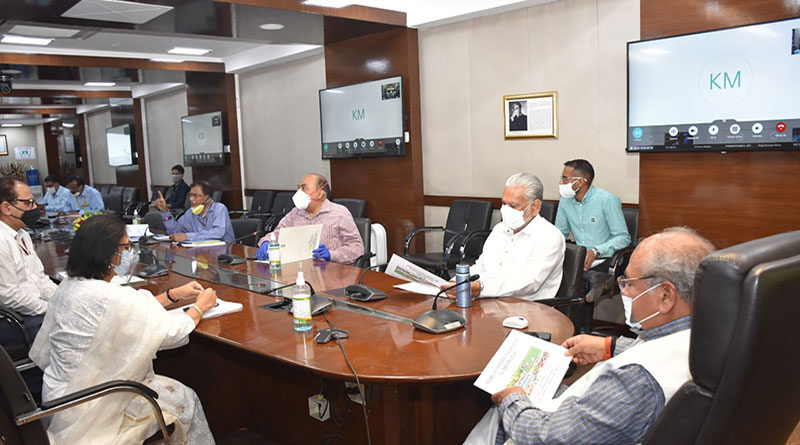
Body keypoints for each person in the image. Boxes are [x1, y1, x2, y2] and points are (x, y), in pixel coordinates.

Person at [465, 226, 715, 444]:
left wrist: (513, 400)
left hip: (551, 434)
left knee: (497, 413)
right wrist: (609, 346)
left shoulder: (635, 381)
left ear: (666, 296)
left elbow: (548, 438)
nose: (624, 292)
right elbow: (659, 349)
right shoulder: (708, 336)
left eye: (629, 283)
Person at [29, 215, 216, 444]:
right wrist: (200, 307)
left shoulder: (69, 285)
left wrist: (172, 295)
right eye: (125, 247)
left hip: (59, 400)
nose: (129, 253)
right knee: (185, 398)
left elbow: (130, 311)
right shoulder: (110, 296)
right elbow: (171, 334)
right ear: (108, 254)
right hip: (94, 404)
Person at [443, 173, 564, 301]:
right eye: (504, 203)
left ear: (535, 207)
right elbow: (481, 267)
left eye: (513, 206)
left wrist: (481, 288)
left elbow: (530, 283)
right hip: (488, 301)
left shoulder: (550, 236)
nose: (505, 210)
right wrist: (456, 282)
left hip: (526, 307)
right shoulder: (499, 229)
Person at [255, 173, 363, 264]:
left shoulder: (340, 213)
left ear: (320, 194)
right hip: (299, 269)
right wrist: (266, 242)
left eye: (304, 188)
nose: (298, 193)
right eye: (298, 188)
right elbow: (277, 233)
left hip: (332, 271)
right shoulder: (296, 213)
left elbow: (357, 248)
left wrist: (331, 255)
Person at [0, 178, 57, 342]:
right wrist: (49, 308)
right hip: (13, 318)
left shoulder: (23, 234)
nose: (35, 208)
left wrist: (61, 299)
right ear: (6, 208)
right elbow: (9, 296)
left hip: (32, 309)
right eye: (29, 203)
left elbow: (40, 278)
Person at [555, 159, 630, 272]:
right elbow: (559, 234)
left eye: (565, 178)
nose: (561, 182)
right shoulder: (565, 201)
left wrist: (596, 251)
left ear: (580, 182)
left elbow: (623, 238)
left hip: (605, 259)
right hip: (580, 259)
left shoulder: (607, 199)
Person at [152, 179, 234, 243]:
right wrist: (165, 211)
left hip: (224, 252)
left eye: (196, 196)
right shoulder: (191, 212)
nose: (191, 199)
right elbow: (175, 232)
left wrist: (187, 236)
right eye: (190, 195)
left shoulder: (219, 209)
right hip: (200, 253)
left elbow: (218, 233)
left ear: (208, 198)